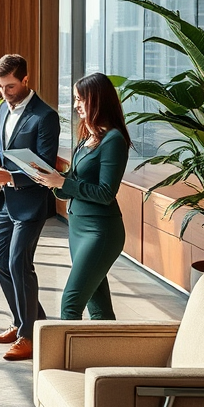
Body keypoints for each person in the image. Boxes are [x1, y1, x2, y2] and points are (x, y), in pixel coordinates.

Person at [0, 54, 60, 361]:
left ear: (25, 80)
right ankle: (27, 323)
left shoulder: (44, 116)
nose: (4, 92)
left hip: (32, 201)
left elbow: (45, 168)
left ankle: (28, 335)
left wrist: (12, 177)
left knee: (19, 263)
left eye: (9, 86)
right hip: (7, 200)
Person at [28, 73, 130, 321]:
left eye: (80, 99)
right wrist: (48, 179)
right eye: (75, 99)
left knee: (70, 303)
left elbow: (106, 193)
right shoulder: (88, 137)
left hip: (100, 232)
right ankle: (107, 356)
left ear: (97, 100)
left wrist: (63, 182)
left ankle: (63, 360)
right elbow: (71, 184)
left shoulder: (114, 140)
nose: (76, 105)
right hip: (78, 227)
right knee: (99, 307)